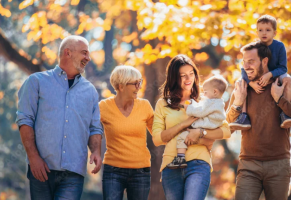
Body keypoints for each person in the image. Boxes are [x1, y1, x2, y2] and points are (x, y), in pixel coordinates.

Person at [16, 35, 103, 200]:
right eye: (84, 53)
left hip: (73, 173)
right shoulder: (36, 82)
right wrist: (34, 158)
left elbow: (94, 127)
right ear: (68, 53)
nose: (88, 58)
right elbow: (25, 120)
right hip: (41, 169)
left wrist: (96, 151)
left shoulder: (90, 91)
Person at [226, 41, 291, 200]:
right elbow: (226, 128)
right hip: (248, 165)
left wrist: (280, 100)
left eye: (251, 61)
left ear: (264, 61)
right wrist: (237, 103)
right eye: (244, 61)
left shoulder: (284, 86)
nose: (246, 66)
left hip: (279, 165)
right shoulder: (242, 89)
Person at [152, 54, 231, 200]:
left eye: (191, 74)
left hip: (199, 164)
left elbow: (226, 131)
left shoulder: (206, 99)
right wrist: (184, 124)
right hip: (171, 165)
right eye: (183, 75)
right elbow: (157, 139)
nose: (188, 79)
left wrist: (201, 133)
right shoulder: (163, 104)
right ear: (174, 78)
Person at [99, 65, 154, 200]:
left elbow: (159, 134)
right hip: (113, 170)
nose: (139, 87)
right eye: (135, 84)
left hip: (140, 171)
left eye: (139, 83)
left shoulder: (145, 106)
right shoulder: (103, 107)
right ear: (121, 86)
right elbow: (90, 130)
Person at [231, 14, 291, 130]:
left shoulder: (279, 46)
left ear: (274, 33)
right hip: (256, 75)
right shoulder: (255, 46)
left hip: (275, 74)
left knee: (288, 79)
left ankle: (285, 113)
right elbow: (244, 68)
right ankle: (244, 116)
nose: (264, 33)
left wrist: (270, 74)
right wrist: (251, 83)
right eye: (260, 30)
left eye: (267, 30)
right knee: (241, 83)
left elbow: (283, 68)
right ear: (257, 32)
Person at [167, 76, 228, 169]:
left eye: (205, 92)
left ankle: (180, 159)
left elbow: (199, 111)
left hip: (206, 125)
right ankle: (206, 144)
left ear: (215, 92)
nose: (203, 94)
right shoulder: (218, 103)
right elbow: (201, 107)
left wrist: (188, 107)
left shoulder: (210, 102)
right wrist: (192, 103)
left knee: (181, 137)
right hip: (211, 126)